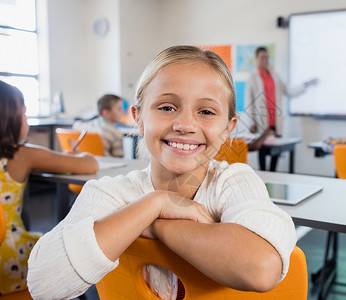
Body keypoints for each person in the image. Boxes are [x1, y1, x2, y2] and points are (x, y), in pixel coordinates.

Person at [27, 45, 297, 299]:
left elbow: (260, 268)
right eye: (167, 107)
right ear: (139, 118)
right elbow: (43, 284)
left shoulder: (234, 182)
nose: (185, 124)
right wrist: (156, 202)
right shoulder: (111, 192)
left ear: (228, 129)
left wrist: (154, 223)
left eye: (206, 111)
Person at [0, 80, 98, 296]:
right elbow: (90, 164)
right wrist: (76, 156)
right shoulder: (21, 155)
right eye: (24, 115)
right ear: (10, 120)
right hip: (10, 263)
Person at [245, 46, 318, 138]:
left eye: (267, 57)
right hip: (261, 124)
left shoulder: (275, 76)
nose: (265, 60)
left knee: (277, 150)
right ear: (257, 59)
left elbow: (289, 91)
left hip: (276, 123)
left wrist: (306, 84)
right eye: (262, 57)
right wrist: (251, 123)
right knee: (263, 151)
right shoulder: (253, 77)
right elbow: (249, 102)